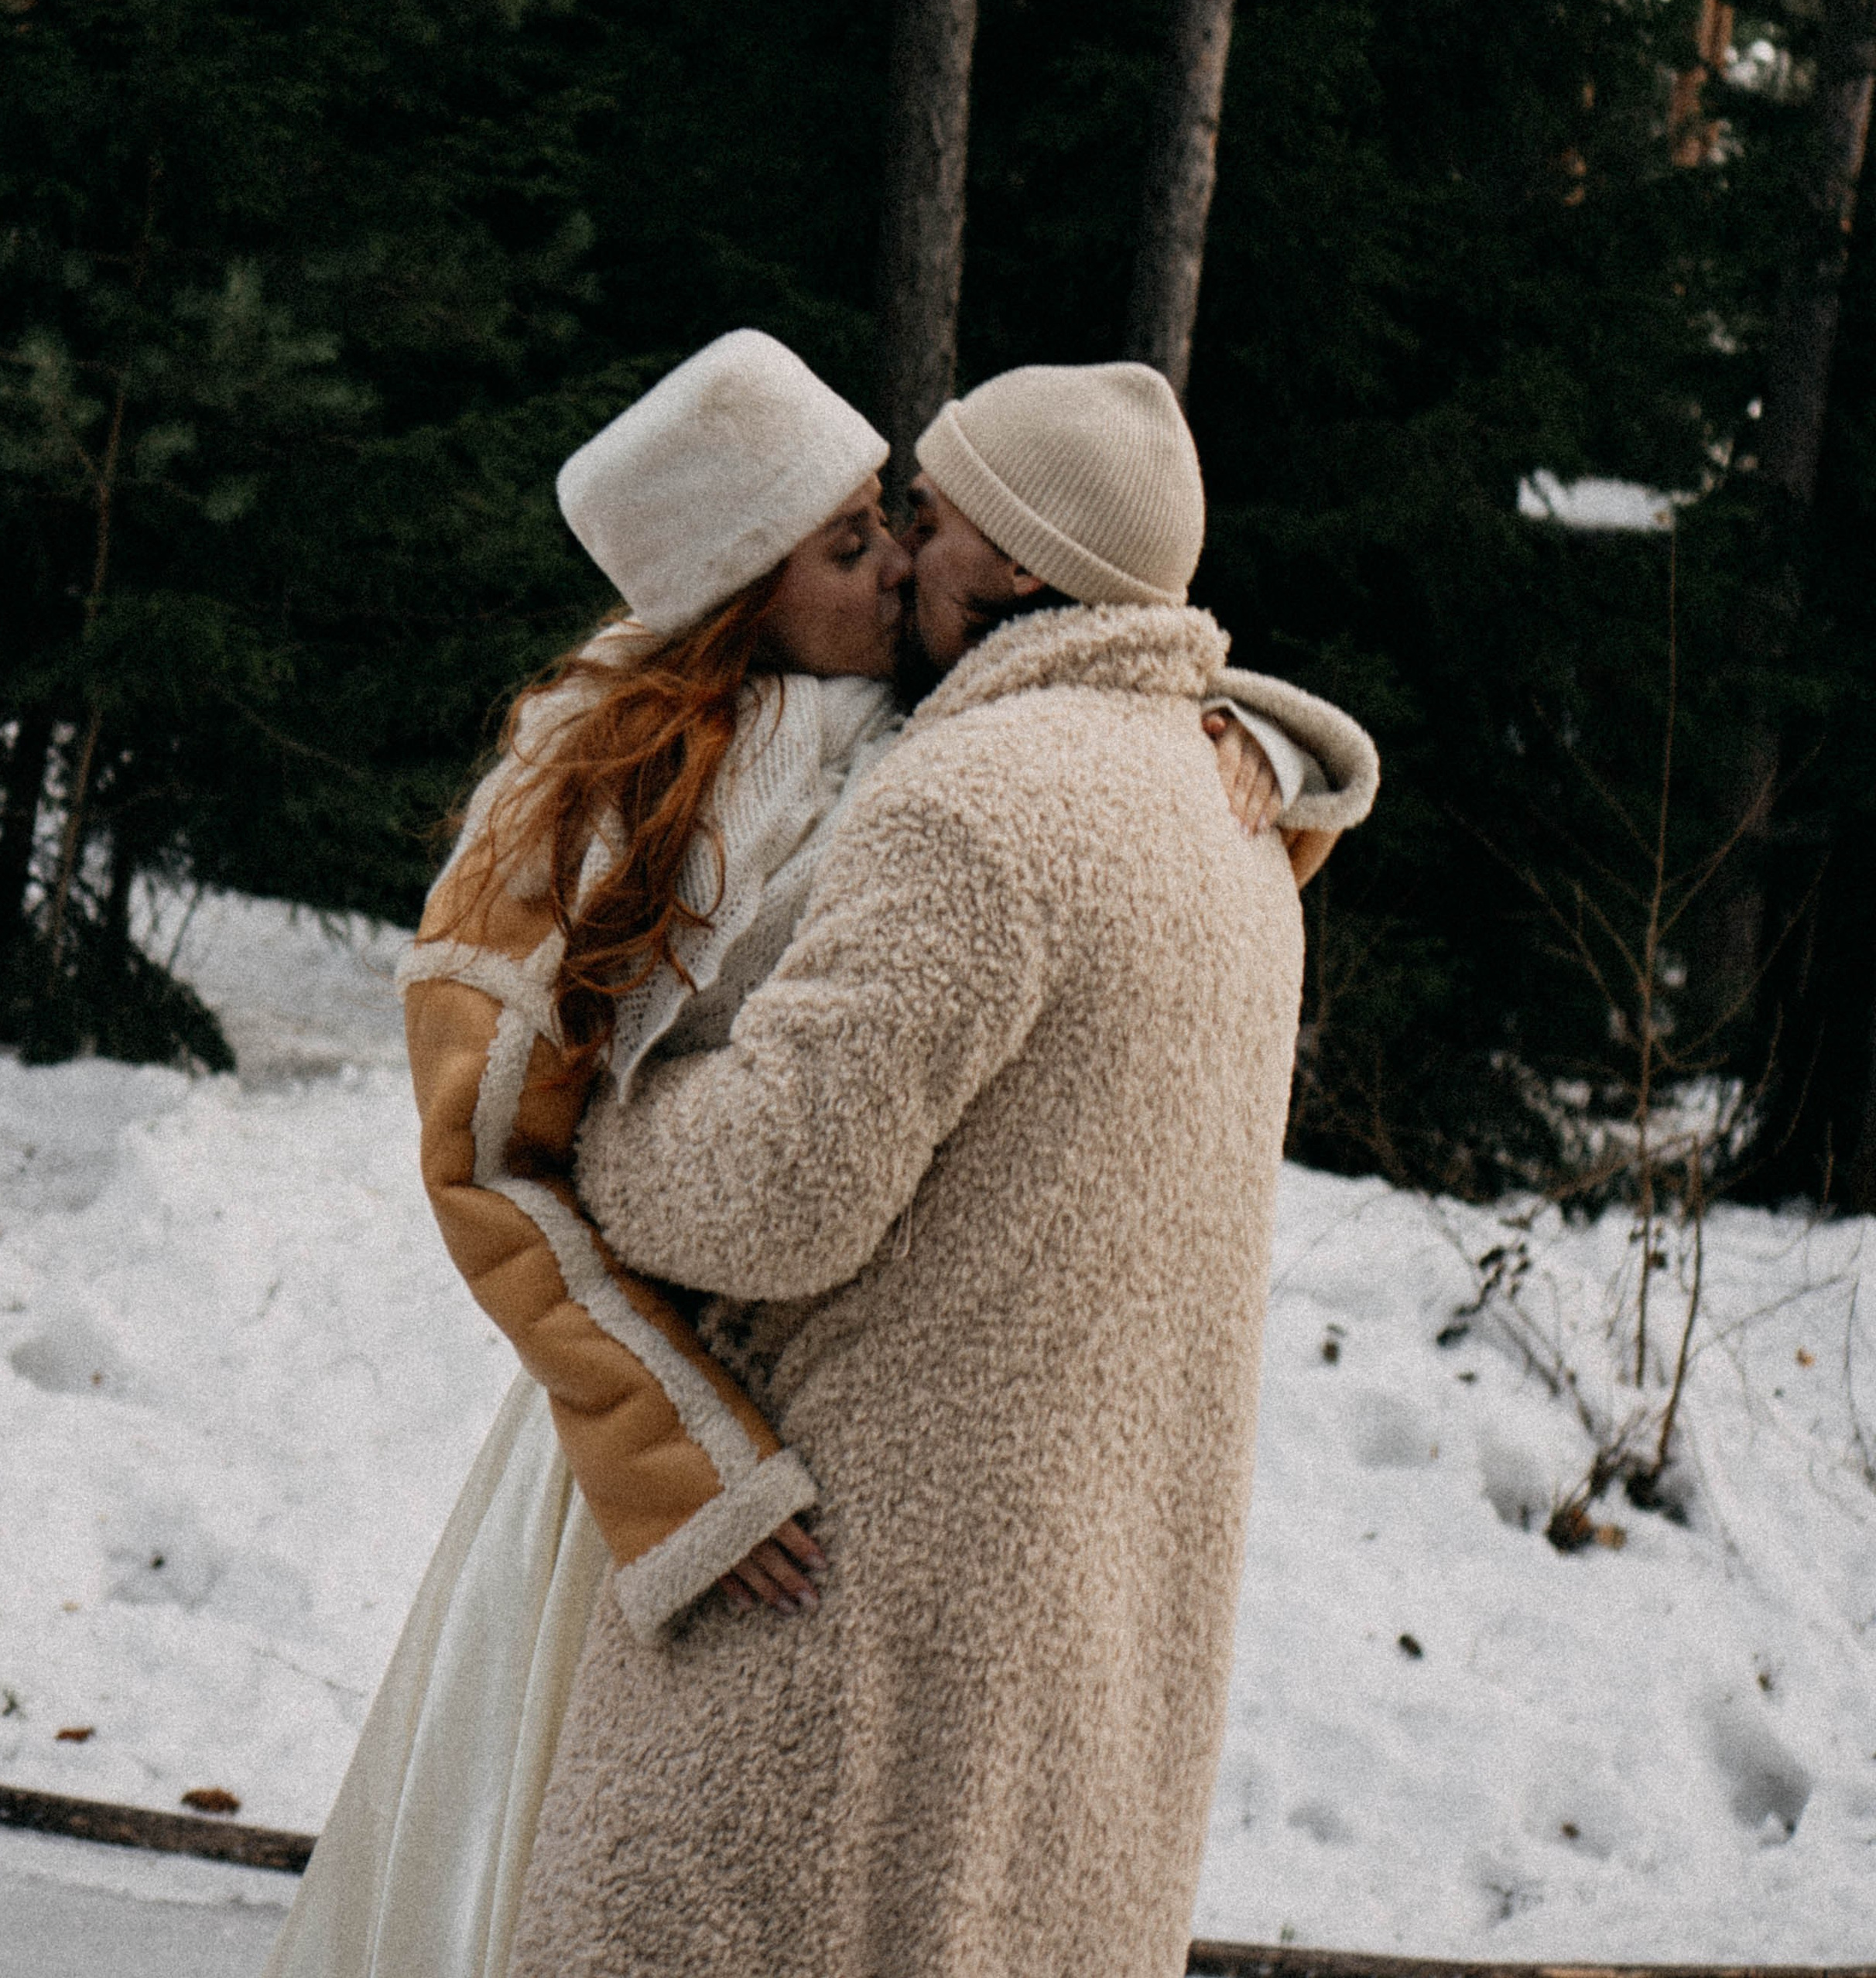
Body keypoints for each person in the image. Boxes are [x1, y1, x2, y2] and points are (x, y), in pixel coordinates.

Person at [264, 334, 1369, 1978]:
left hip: (850, 1530)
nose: (899, 554)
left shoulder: (981, 786)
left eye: (909, 522)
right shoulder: (1196, 814)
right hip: (750, 1460)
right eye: (853, 534)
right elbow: (487, 1128)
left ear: (1008, 564)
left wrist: (624, 1123)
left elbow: (772, 1184)